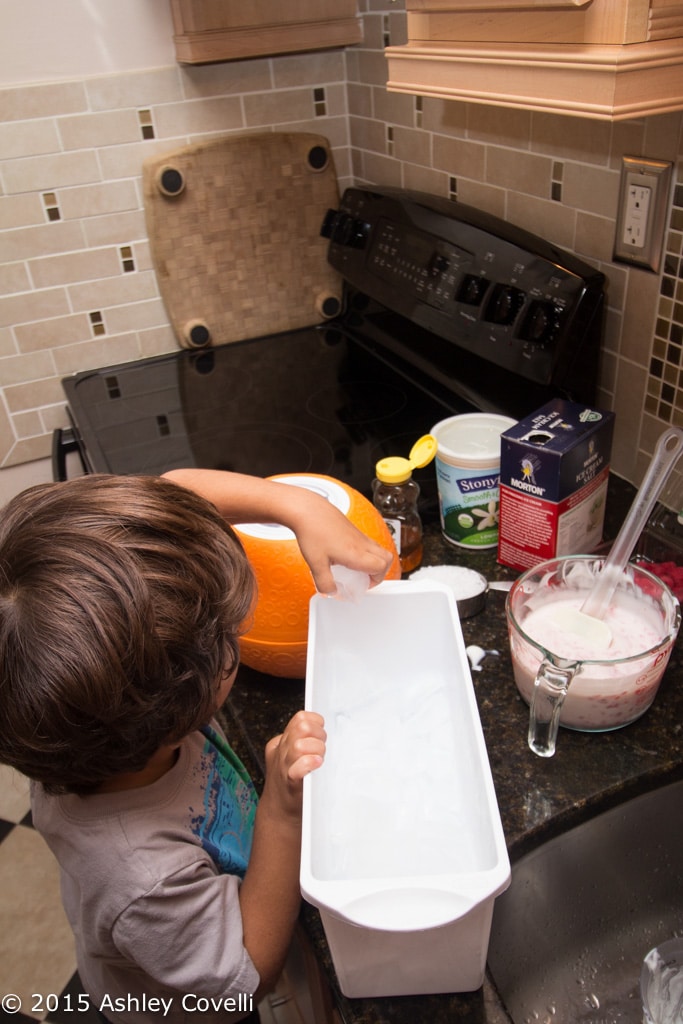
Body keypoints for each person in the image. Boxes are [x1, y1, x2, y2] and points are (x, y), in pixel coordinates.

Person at [0, 469, 392, 1023]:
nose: (237, 632)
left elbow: (176, 487)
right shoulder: (144, 878)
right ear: (175, 713)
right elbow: (246, 976)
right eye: (228, 636)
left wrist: (297, 506)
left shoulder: (80, 722)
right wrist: (280, 813)